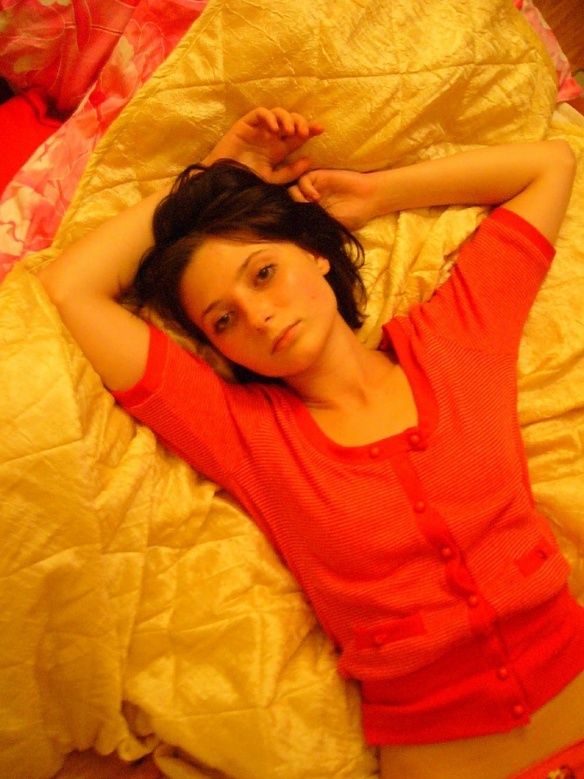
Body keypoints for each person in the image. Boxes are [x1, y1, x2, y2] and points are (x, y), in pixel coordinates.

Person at [39, 107, 583, 779]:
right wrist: (211, 177)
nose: (258, 313)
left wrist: (377, 193)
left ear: (315, 253)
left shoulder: (458, 341)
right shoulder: (244, 434)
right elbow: (70, 288)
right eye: (223, 319)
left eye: (263, 273)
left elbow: (550, 163)